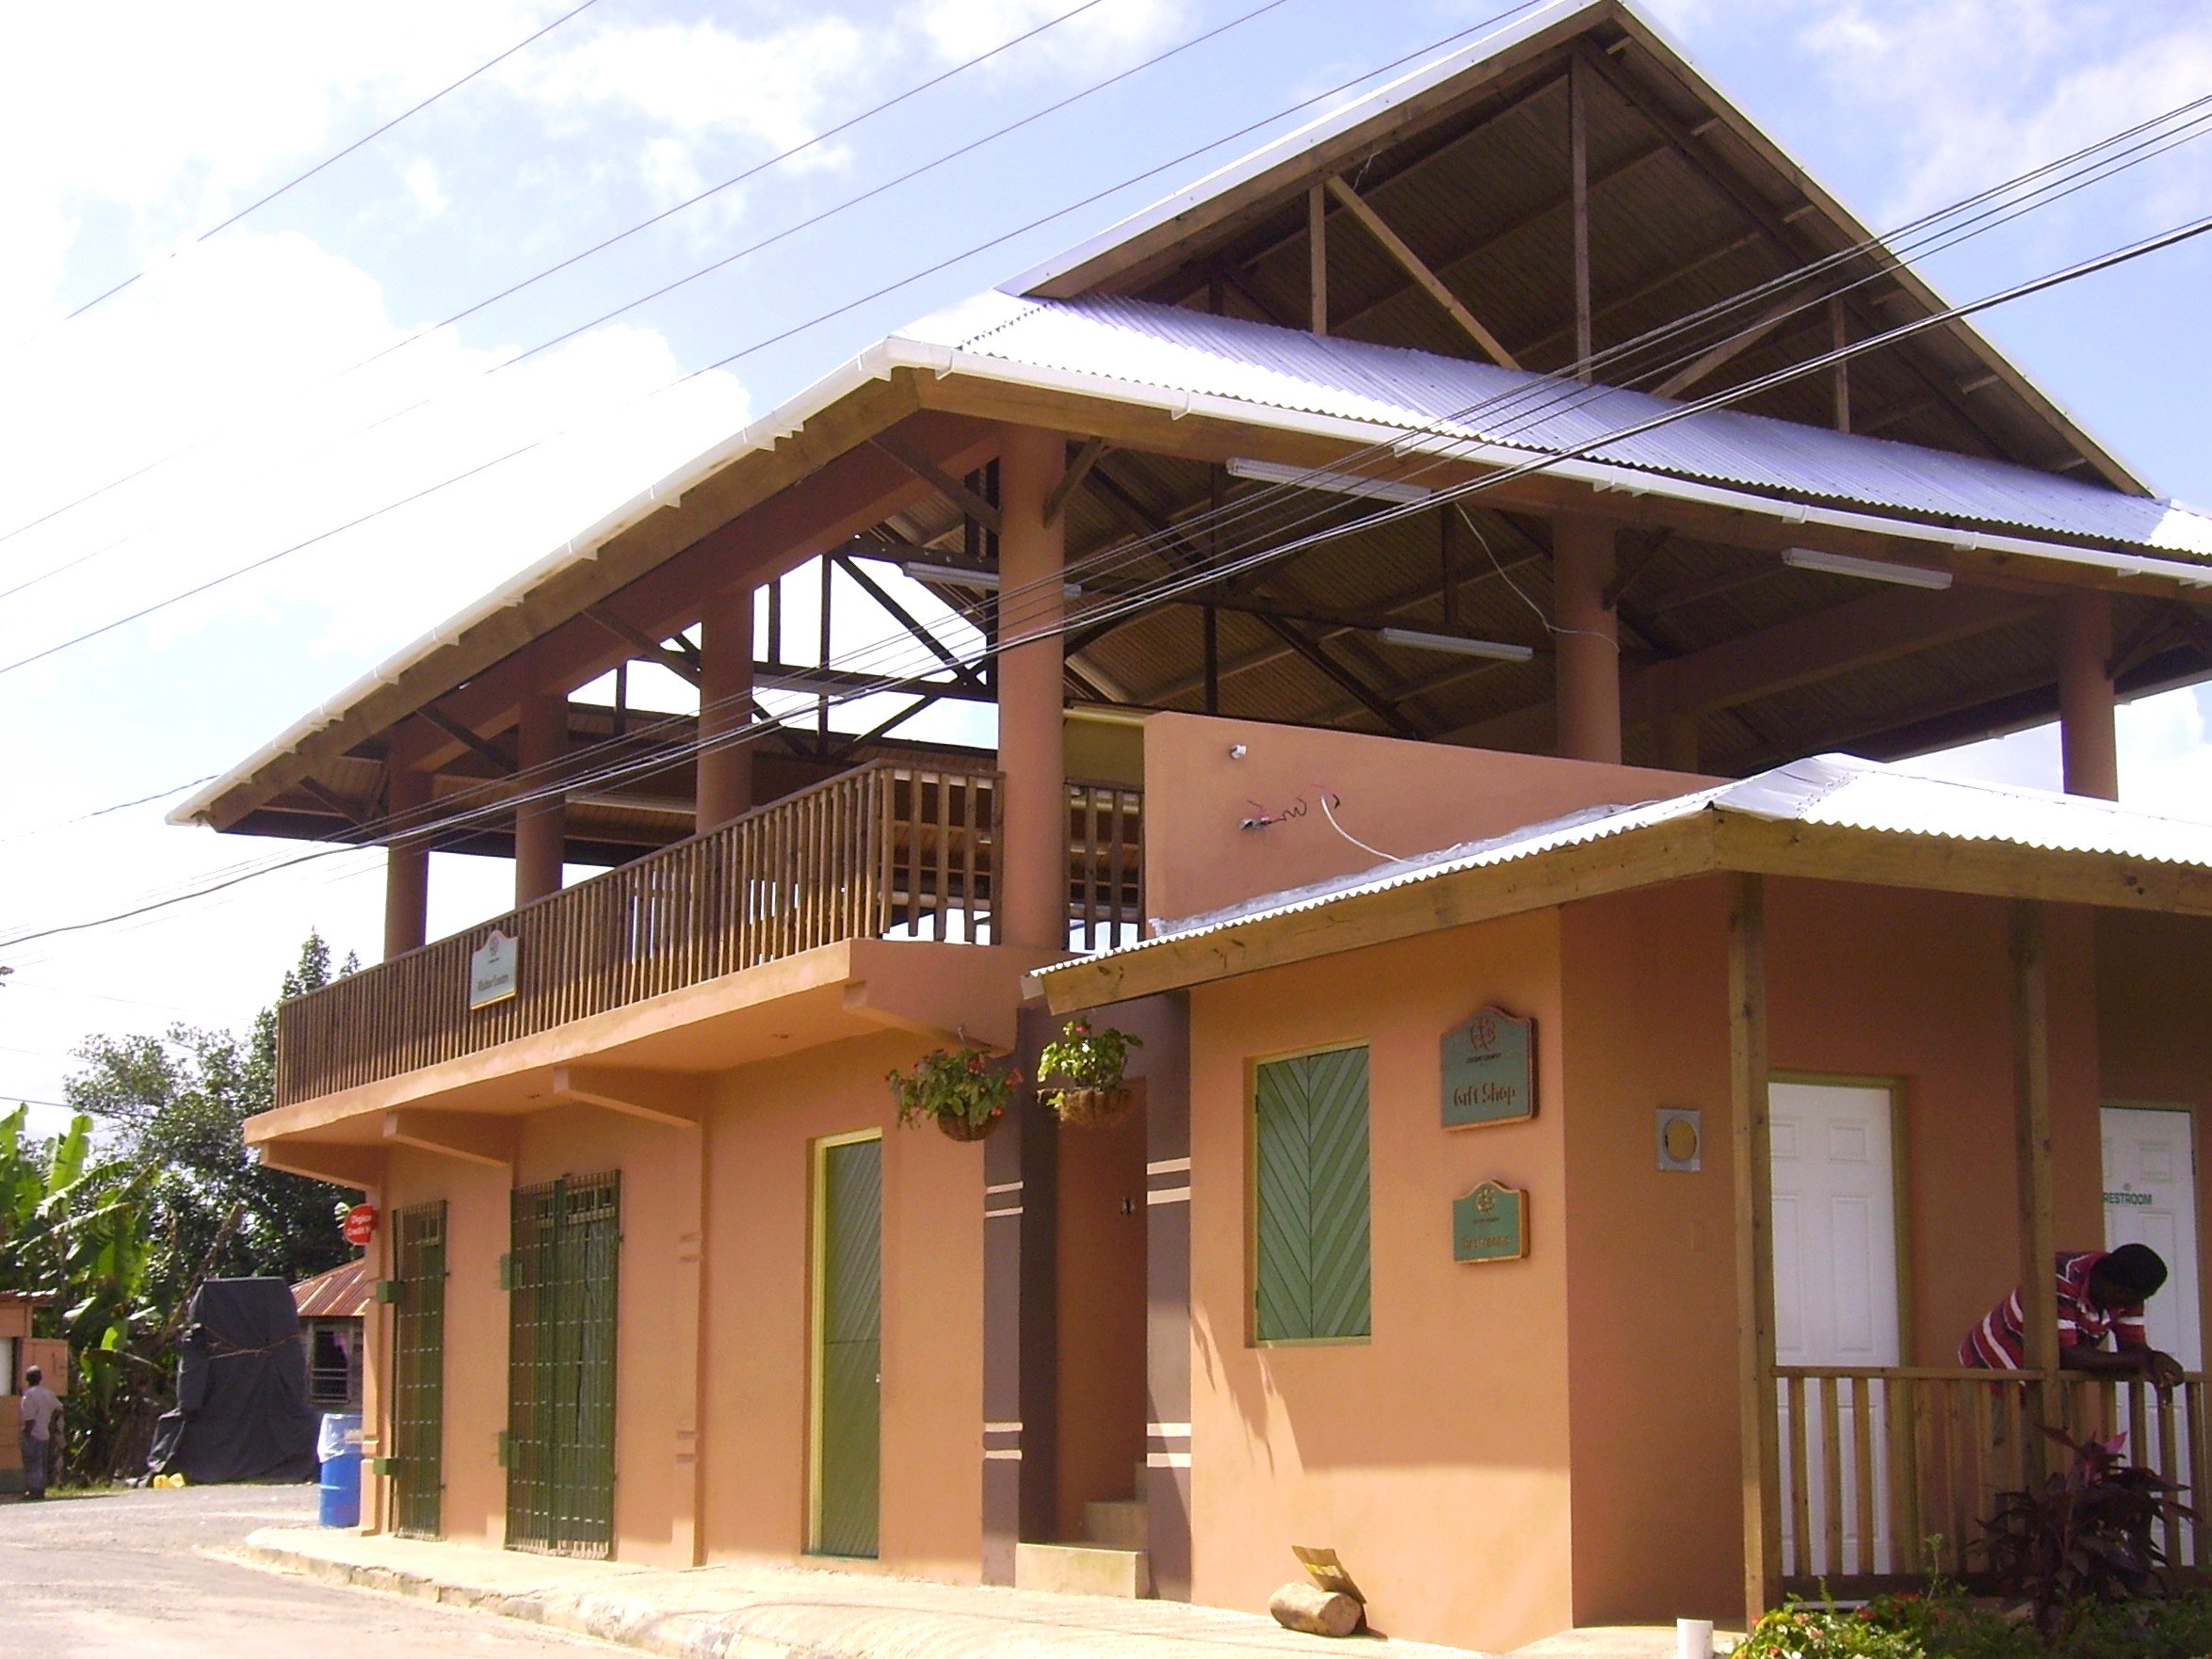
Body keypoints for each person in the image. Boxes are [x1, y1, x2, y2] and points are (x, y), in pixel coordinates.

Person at [1960, 1243, 2187, 1388]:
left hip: (2048, 1378)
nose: (2140, 1303)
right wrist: (2141, 1360)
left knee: (2052, 1456)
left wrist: (2155, 1362)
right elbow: (2066, 1355)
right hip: (1994, 1372)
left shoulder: (2129, 1294)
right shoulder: (2060, 1277)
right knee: (2009, 1459)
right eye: (2139, 1297)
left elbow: (2132, 1347)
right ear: (2120, 1290)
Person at [18, 1364, 61, 1500]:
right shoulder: (47, 1393)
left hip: (33, 1433)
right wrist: (51, 1423)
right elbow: (59, 1408)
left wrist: (26, 1433)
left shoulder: (28, 1395)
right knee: (42, 1462)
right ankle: (41, 1489)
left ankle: (33, 1491)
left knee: (31, 1463)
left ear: (27, 1379)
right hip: (45, 1432)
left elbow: (29, 1419)